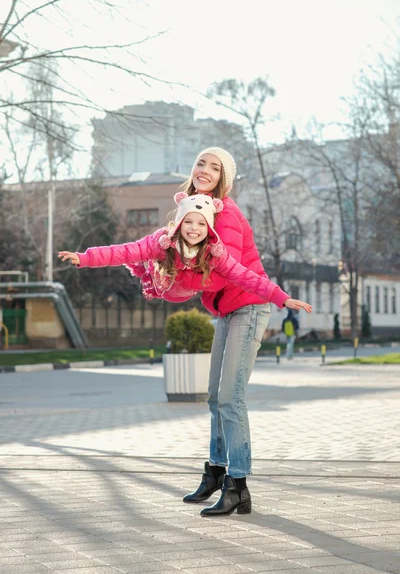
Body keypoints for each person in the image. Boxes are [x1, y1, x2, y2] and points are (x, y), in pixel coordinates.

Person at [179, 147, 312, 517]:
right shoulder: (193, 210)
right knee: (213, 396)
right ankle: (216, 472)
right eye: (201, 163)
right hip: (227, 310)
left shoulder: (228, 213)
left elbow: (225, 269)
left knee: (230, 398)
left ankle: (237, 485)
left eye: (215, 167)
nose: (205, 170)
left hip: (250, 306)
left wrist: (183, 277)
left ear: (225, 178)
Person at [58, 193, 297, 307]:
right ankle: (149, 272)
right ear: (180, 223)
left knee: (218, 277)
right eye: (189, 222)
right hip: (165, 283)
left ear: (209, 228)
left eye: (202, 223)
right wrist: (84, 257)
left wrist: (281, 298)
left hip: (187, 287)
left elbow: (246, 277)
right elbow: (121, 251)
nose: (194, 229)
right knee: (144, 257)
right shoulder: (161, 242)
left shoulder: (216, 252)